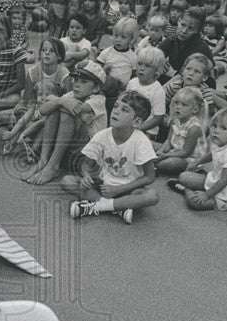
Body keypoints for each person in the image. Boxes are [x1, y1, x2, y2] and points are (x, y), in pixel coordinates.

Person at [63, 91, 160, 224]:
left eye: (124, 110)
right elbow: (86, 164)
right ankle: (118, 208)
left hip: (129, 190)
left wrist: (119, 189)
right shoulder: (102, 135)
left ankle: (98, 206)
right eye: (115, 106)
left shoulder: (141, 140)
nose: (116, 112)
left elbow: (150, 176)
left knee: (152, 195)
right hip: (103, 186)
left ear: (136, 121)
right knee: (67, 181)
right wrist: (86, 176)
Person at [23, 59, 108, 185]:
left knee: (66, 112)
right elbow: (42, 110)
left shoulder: (99, 100)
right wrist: (59, 100)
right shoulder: (70, 96)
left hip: (87, 156)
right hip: (67, 151)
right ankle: (44, 160)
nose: (77, 85)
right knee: (54, 111)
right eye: (76, 80)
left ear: (95, 88)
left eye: (83, 82)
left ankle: (53, 165)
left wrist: (55, 99)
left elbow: (76, 108)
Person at [0, 37, 70, 157]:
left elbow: (69, 99)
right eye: (43, 50)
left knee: (43, 128)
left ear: (59, 56)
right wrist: (16, 111)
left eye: (52, 50)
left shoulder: (63, 73)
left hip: (53, 114)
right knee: (16, 116)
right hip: (35, 108)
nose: (46, 53)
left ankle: (33, 149)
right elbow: (26, 100)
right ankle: (12, 141)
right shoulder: (33, 72)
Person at [168, 107, 227, 211]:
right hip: (213, 181)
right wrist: (197, 162)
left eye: (223, 128)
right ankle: (196, 186)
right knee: (183, 177)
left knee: (194, 203)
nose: (216, 131)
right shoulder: (219, 142)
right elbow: (211, 154)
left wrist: (206, 195)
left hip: (225, 195)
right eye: (214, 126)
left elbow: (225, 180)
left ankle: (186, 190)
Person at [154, 86, 208, 176]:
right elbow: (168, 141)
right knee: (147, 143)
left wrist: (165, 156)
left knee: (170, 164)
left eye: (184, 105)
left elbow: (186, 152)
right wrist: (162, 151)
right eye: (176, 103)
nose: (178, 107)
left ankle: (152, 164)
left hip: (187, 158)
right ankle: (153, 163)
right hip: (174, 150)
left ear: (194, 109)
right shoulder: (175, 120)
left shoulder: (194, 128)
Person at [159, 6, 212, 82]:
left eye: (190, 29)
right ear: (179, 21)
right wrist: (160, 62)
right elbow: (155, 55)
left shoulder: (200, 47)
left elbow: (185, 76)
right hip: (178, 78)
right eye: (183, 25)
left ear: (197, 30)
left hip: (195, 83)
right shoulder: (172, 40)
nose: (184, 31)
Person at [125, 46, 167, 140]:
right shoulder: (132, 82)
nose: (141, 68)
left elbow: (158, 117)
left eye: (147, 66)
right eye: (139, 64)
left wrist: (139, 127)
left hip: (147, 131)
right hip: (129, 125)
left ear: (157, 70)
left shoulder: (157, 90)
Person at [96, 17, 139, 106]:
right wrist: (104, 69)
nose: (118, 40)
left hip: (122, 89)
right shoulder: (106, 52)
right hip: (106, 86)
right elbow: (97, 70)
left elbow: (134, 75)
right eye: (116, 35)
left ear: (131, 39)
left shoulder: (132, 56)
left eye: (123, 37)